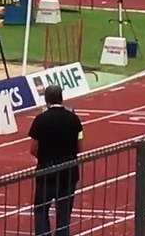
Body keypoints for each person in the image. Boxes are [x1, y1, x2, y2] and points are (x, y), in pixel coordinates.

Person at [28, 84, 84, 236]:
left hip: (46, 172)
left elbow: (33, 148)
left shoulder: (40, 119)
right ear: (61, 98)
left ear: (46, 100)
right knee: (64, 213)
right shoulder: (74, 119)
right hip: (68, 173)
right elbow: (79, 145)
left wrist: (44, 158)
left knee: (41, 209)